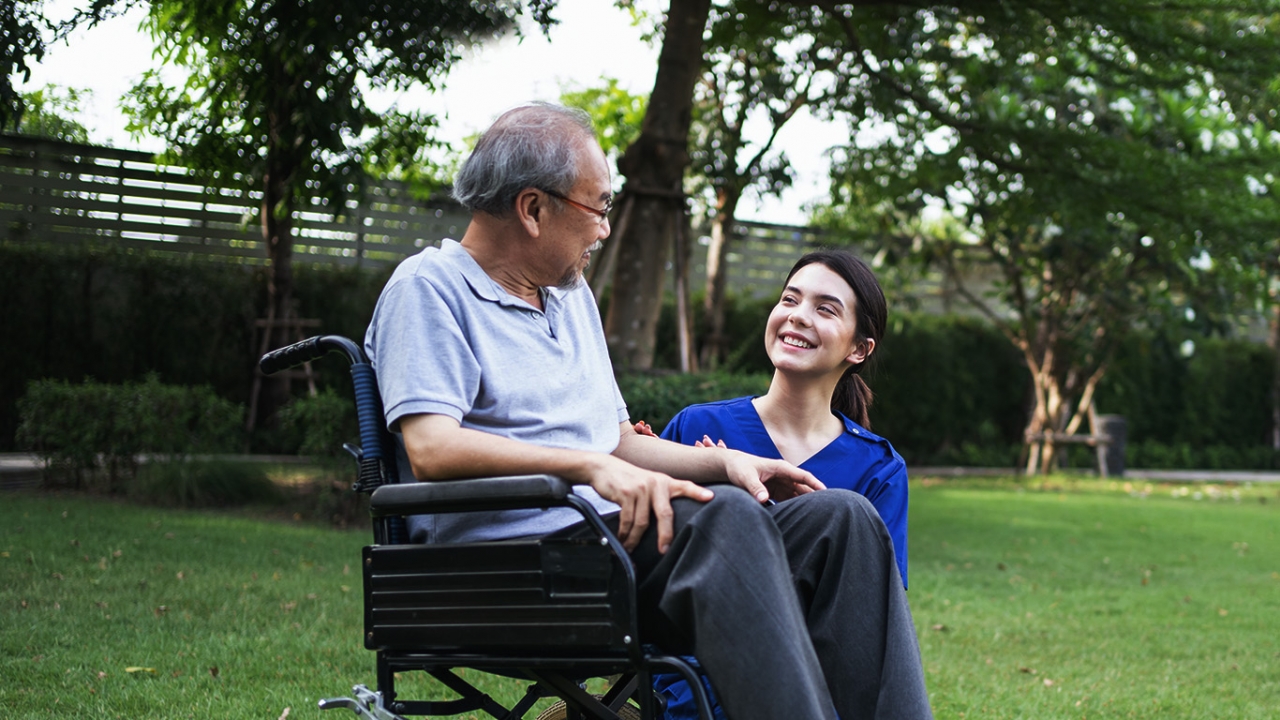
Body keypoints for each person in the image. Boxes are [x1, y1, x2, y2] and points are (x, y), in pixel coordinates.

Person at [364, 102, 932, 720]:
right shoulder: (428, 288)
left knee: (840, 520)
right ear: (533, 209)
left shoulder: (569, 296)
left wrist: (732, 463)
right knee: (721, 520)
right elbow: (432, 449)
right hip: (512, 570)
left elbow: (616, 442)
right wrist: (585, 468)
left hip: (608, 548)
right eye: (599, 208)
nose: (605, 229)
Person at [649, 250, 912, 719]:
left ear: (859, 349)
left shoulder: (878, 467)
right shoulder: (697, 428)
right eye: (790, 299)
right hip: (696, 679)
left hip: (819, 691)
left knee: (844, 515)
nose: (798, 316)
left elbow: (867, 623)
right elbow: (658, 571)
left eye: (825, 309)